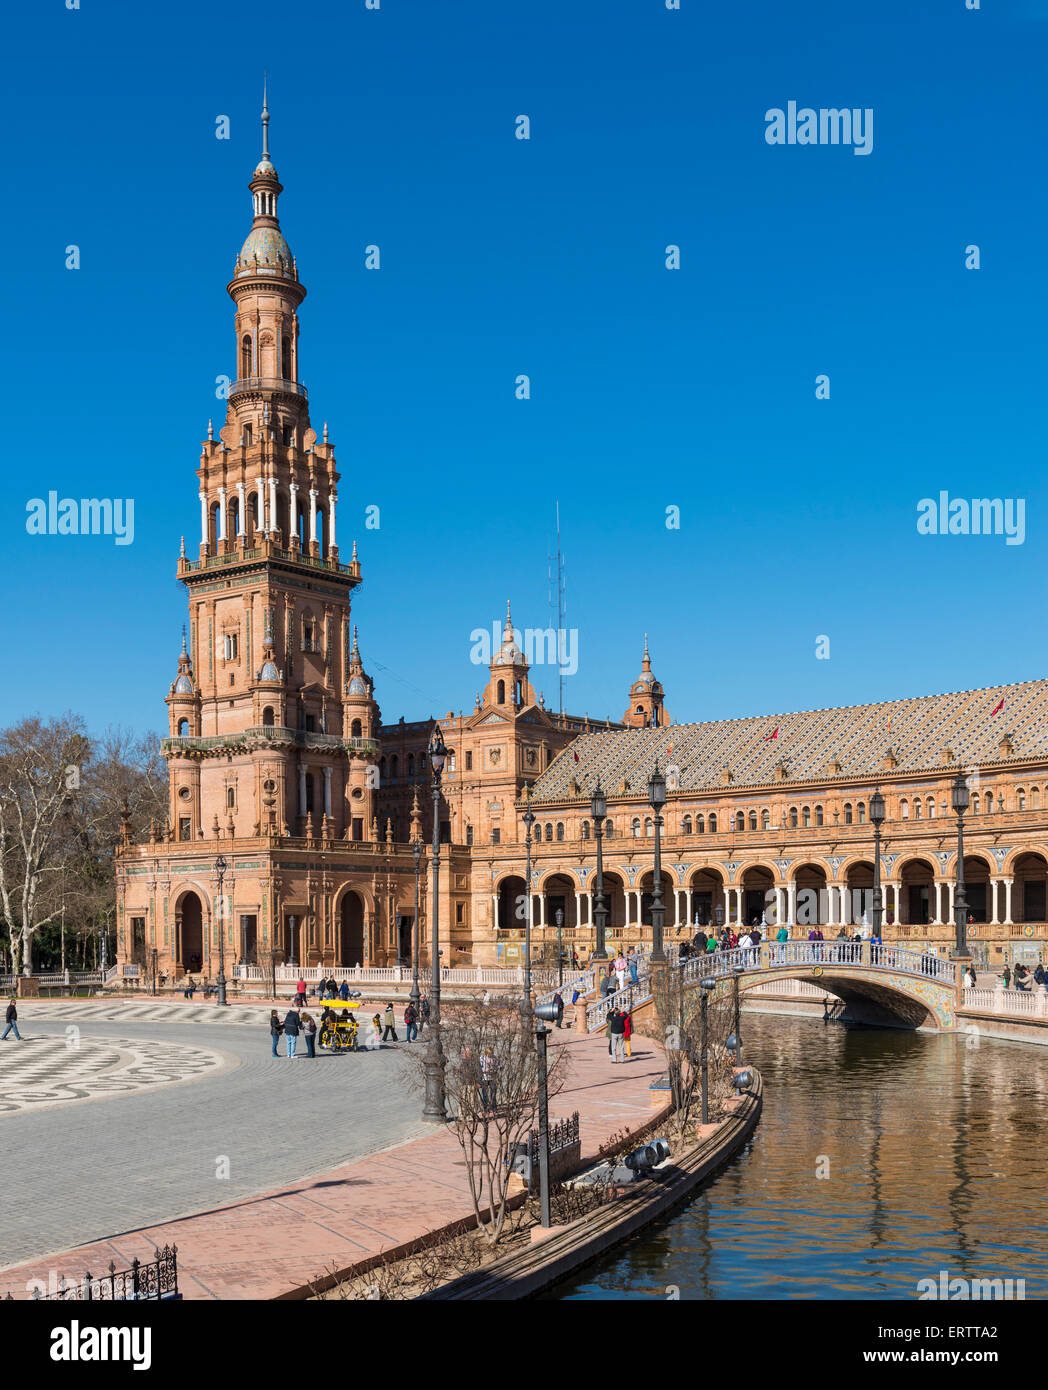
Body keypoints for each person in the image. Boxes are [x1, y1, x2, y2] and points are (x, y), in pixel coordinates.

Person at [479, 1047, 497, 1111]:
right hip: (485, 1078)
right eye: (489, 1054)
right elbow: (479, 1067)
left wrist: (496, 1069)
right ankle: (485, 1108)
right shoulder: (482, 1058)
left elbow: (496, 1065)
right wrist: (484, 1070)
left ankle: (494, 1107)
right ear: (486, 1053)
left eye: (491, 1054)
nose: (490, 1055)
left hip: (492, 1077)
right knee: (485, 1094)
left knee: (493, 1092)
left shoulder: (494, 1057)